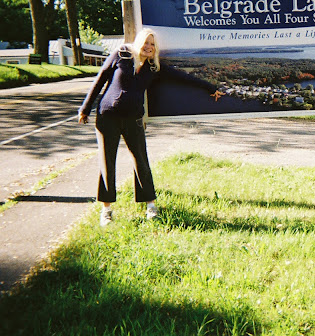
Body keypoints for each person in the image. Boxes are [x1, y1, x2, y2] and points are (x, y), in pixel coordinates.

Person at [78, 28, 218, 226]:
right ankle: (106, 210)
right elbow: (100, 79)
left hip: (133, 119)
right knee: (107, 162)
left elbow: (183, 77)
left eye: (152, 44)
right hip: (107, 117)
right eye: (146, 42)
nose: (149, 47)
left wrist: (210, 87)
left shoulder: (154, 67)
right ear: (138, 42)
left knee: (141, 161)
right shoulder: (121, 55)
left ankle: (150, 207)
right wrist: (85, 108)